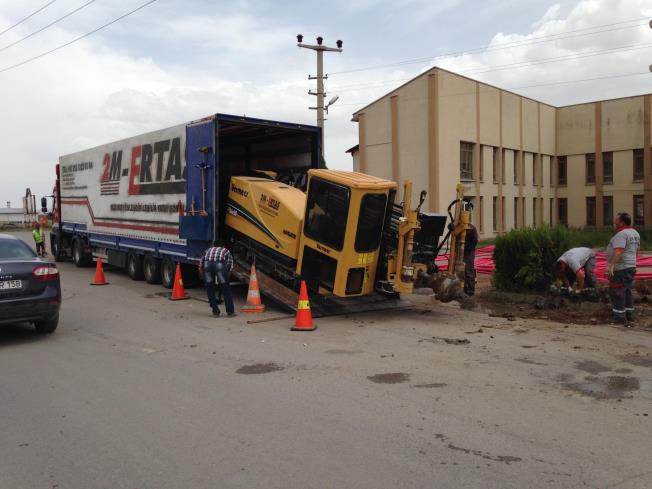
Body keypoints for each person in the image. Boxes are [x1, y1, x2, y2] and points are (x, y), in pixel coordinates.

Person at [606, 212, 640, 325]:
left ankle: (619, 317)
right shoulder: (635, 233)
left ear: (621, 222)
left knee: (617, 291)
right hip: (630, 266)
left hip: (621, 268)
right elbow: (637, 250)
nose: (614, 222)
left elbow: (618, 251)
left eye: (616, 220)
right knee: (627, 291)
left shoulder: (621, 234)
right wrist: (634, 263)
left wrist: (611, 266)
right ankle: (630, 315)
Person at [199, 241, 236, 318]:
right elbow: (230, 264)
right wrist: (227, 276)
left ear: (213, 245)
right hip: (219, 265)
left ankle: (215, 312)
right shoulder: (225, 250)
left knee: (209, 288)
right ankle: (230, 312)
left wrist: (203, 275)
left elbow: (201, 264)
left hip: (207, 265)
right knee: (226, 288)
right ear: (223, 245)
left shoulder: (208, 250)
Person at [463, 223, 478, 296]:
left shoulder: (472, 229)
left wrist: (464, 247)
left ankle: (470, 291)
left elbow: (474, 242)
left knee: (468, 271)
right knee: (463, 272)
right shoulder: (460, 227)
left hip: (469, 252)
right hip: (463, 251)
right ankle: (464, 289)